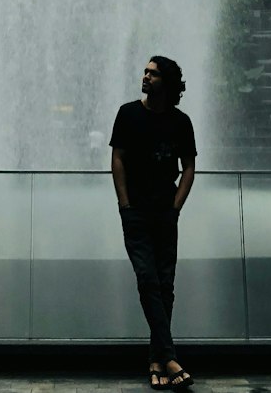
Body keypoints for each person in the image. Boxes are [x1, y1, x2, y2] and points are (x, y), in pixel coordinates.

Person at [110, 56, 196, 390]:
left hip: (165, 212)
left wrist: (176, 206)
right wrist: (124, 204)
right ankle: (170, 357)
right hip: (135, 212)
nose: (145, 76)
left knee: (164, 283)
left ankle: (156, 361)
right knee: (148, 279)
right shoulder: (128, 113)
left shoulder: (181, 122)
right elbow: (117, 158)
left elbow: (188, 167)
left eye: (153, 73)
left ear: (168, 83)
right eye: (145, 72)